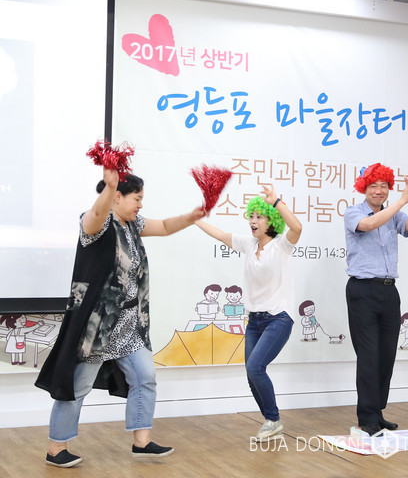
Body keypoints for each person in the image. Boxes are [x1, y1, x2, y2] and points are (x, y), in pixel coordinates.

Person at [35, 167, 206, 468]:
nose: (140, 204)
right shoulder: (97, 224)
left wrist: (191, 217)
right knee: (78, 385)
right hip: (98, 325)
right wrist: (108, 188)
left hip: (128, 323)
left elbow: (165, 226)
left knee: (145, 377)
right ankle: (56, 447)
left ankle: (142, 442)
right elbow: (95, 215)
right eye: (137, 198)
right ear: (117, 197)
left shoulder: (132, 224)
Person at [195, 184, 302, 440]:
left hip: (279, 318)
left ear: (271, 221)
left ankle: (273, 420)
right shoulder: (249, 244)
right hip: (254, 321)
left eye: (259, 217)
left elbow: (297, 228)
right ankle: (271, 422)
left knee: (256, 367)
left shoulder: (281, 245)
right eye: (251, 216)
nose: (253, 221)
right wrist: (195, 220)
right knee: (251, 373)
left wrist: (276, 203)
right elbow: (221, 235)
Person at [344, 162, 408, 436]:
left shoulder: (394, 213)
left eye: (384, 186)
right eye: (373, 186)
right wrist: (401, 200)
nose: (379, 191)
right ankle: (366, 417)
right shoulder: (353, 212)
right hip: (362, 290)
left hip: (389, 290)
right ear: (363, 188)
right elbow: (369, 224)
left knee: (386, 355)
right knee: (368, 355)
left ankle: (377, 412)